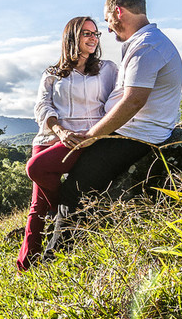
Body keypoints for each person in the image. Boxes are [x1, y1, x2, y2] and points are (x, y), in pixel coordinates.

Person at [47, 0, 182, 249]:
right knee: (65, 177)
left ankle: (58, 256)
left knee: (75, 189)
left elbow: (134, 100)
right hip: (134, 131)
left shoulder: (147, 47)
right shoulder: (144, 42)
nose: (108, 29)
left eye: (108, 20)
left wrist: (91, 136)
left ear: (118, 12)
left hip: (136, 135)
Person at [16, 16, 117, 272]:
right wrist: (58, 130)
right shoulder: (52, 73)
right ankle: (27, 264)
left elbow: (117, 101)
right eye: (86, 33)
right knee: (37, 204)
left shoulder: (107, 69)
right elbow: (42, 106)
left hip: (84, 137)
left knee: (35, 169)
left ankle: (59, 209)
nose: (93, 38)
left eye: (96, 34)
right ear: (71, 37)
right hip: (50, 135)